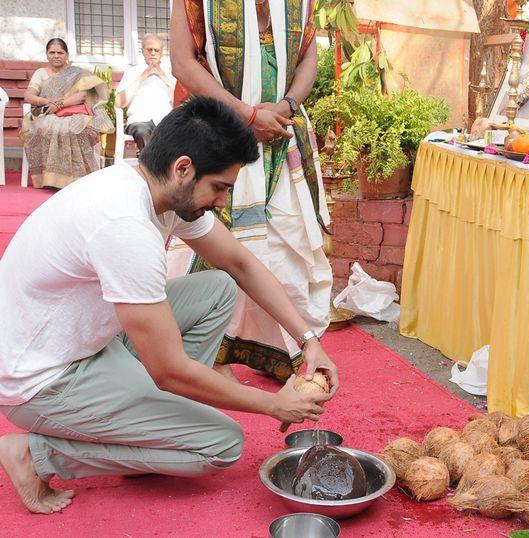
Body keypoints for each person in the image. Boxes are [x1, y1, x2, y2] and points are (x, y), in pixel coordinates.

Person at [0, 96, 338, 515]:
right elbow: (169, 370)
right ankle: (34, 452)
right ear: (183, 168)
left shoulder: (148, 186)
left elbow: (239, 263)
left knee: (217, 288)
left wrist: (309, 340)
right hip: (39, 379)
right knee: (221, 444)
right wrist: (273, 405)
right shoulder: (125, 226)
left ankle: (153, 431)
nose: (220, 201)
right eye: (219, 187)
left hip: (82, 341)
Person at [168, 0, 332, 384]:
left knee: (284, 245)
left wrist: (286, 105)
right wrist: (246, 115)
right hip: (216, 130)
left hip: (282, 131)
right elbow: (182, 62)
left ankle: (287, 351)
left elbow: (309, 55)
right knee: (215, 243)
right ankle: (199, 351)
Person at [22, 38, 113, 189]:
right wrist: (48, 102)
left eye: (60, 52)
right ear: (46, 55)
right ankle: (51, 180)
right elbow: (29, 96)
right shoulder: (41, 73)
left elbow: (81, 96)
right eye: (52, 52)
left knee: (73, 129)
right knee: (50, 127)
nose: (56, 56)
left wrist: (59, 105)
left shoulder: (76, 74)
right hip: (47, 113)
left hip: (72, 113)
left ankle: (77, 179)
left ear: (67, 55)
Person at [115, 34, 176, 153]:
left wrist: (163, 77)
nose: (153, 53)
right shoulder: (132, 72)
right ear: (143, 51)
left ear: (162, 52)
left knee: (176, 133)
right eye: (149, 50)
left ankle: (162, 167)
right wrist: (142, 77)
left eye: (156, 50)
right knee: (143, 132)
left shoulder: (170, 73)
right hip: (139, 120)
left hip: (165, 121)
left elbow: (179, 102)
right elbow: (119, 103)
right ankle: (151, 167)